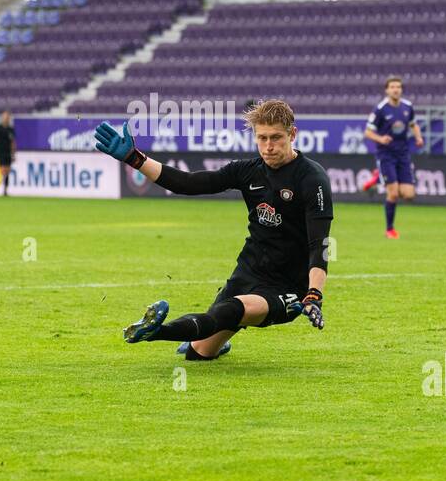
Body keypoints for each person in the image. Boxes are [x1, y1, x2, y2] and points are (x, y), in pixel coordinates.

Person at [93, 100, 331, 361]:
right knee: (199, 353)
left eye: (276, 138)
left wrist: (313, 294)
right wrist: (134, 158)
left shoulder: (312, 178)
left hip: (287, 286)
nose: (268, 146)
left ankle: (153, 332)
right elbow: (188, 183)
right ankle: (206, 342)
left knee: (228, 312)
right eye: (262, 138)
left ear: (292, 134)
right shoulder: (248, 171)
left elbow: (318, 245)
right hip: (249, 270)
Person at [359, 77, 423, 238]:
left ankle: (376, 179)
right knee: (393, 194)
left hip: (403, 154)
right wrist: (381, 139)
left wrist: (418, 137)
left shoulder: (408, 107)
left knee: (409, 195)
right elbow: (367, 132)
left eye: (398, 87)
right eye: (392, 87)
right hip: (386, 154)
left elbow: (413, 124)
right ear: (386, 90)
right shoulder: (380, 109)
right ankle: (390, 229)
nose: (396, 89)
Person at [0, 110, 16, 196]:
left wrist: (13, 153)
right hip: (0, 152)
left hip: (7, 152)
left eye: (7, 117)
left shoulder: (11, 129)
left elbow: (13, 142)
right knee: (2, 170)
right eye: (5, 117)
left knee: (7, 171)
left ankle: (5, 190)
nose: (6, 118)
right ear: (2, 118)